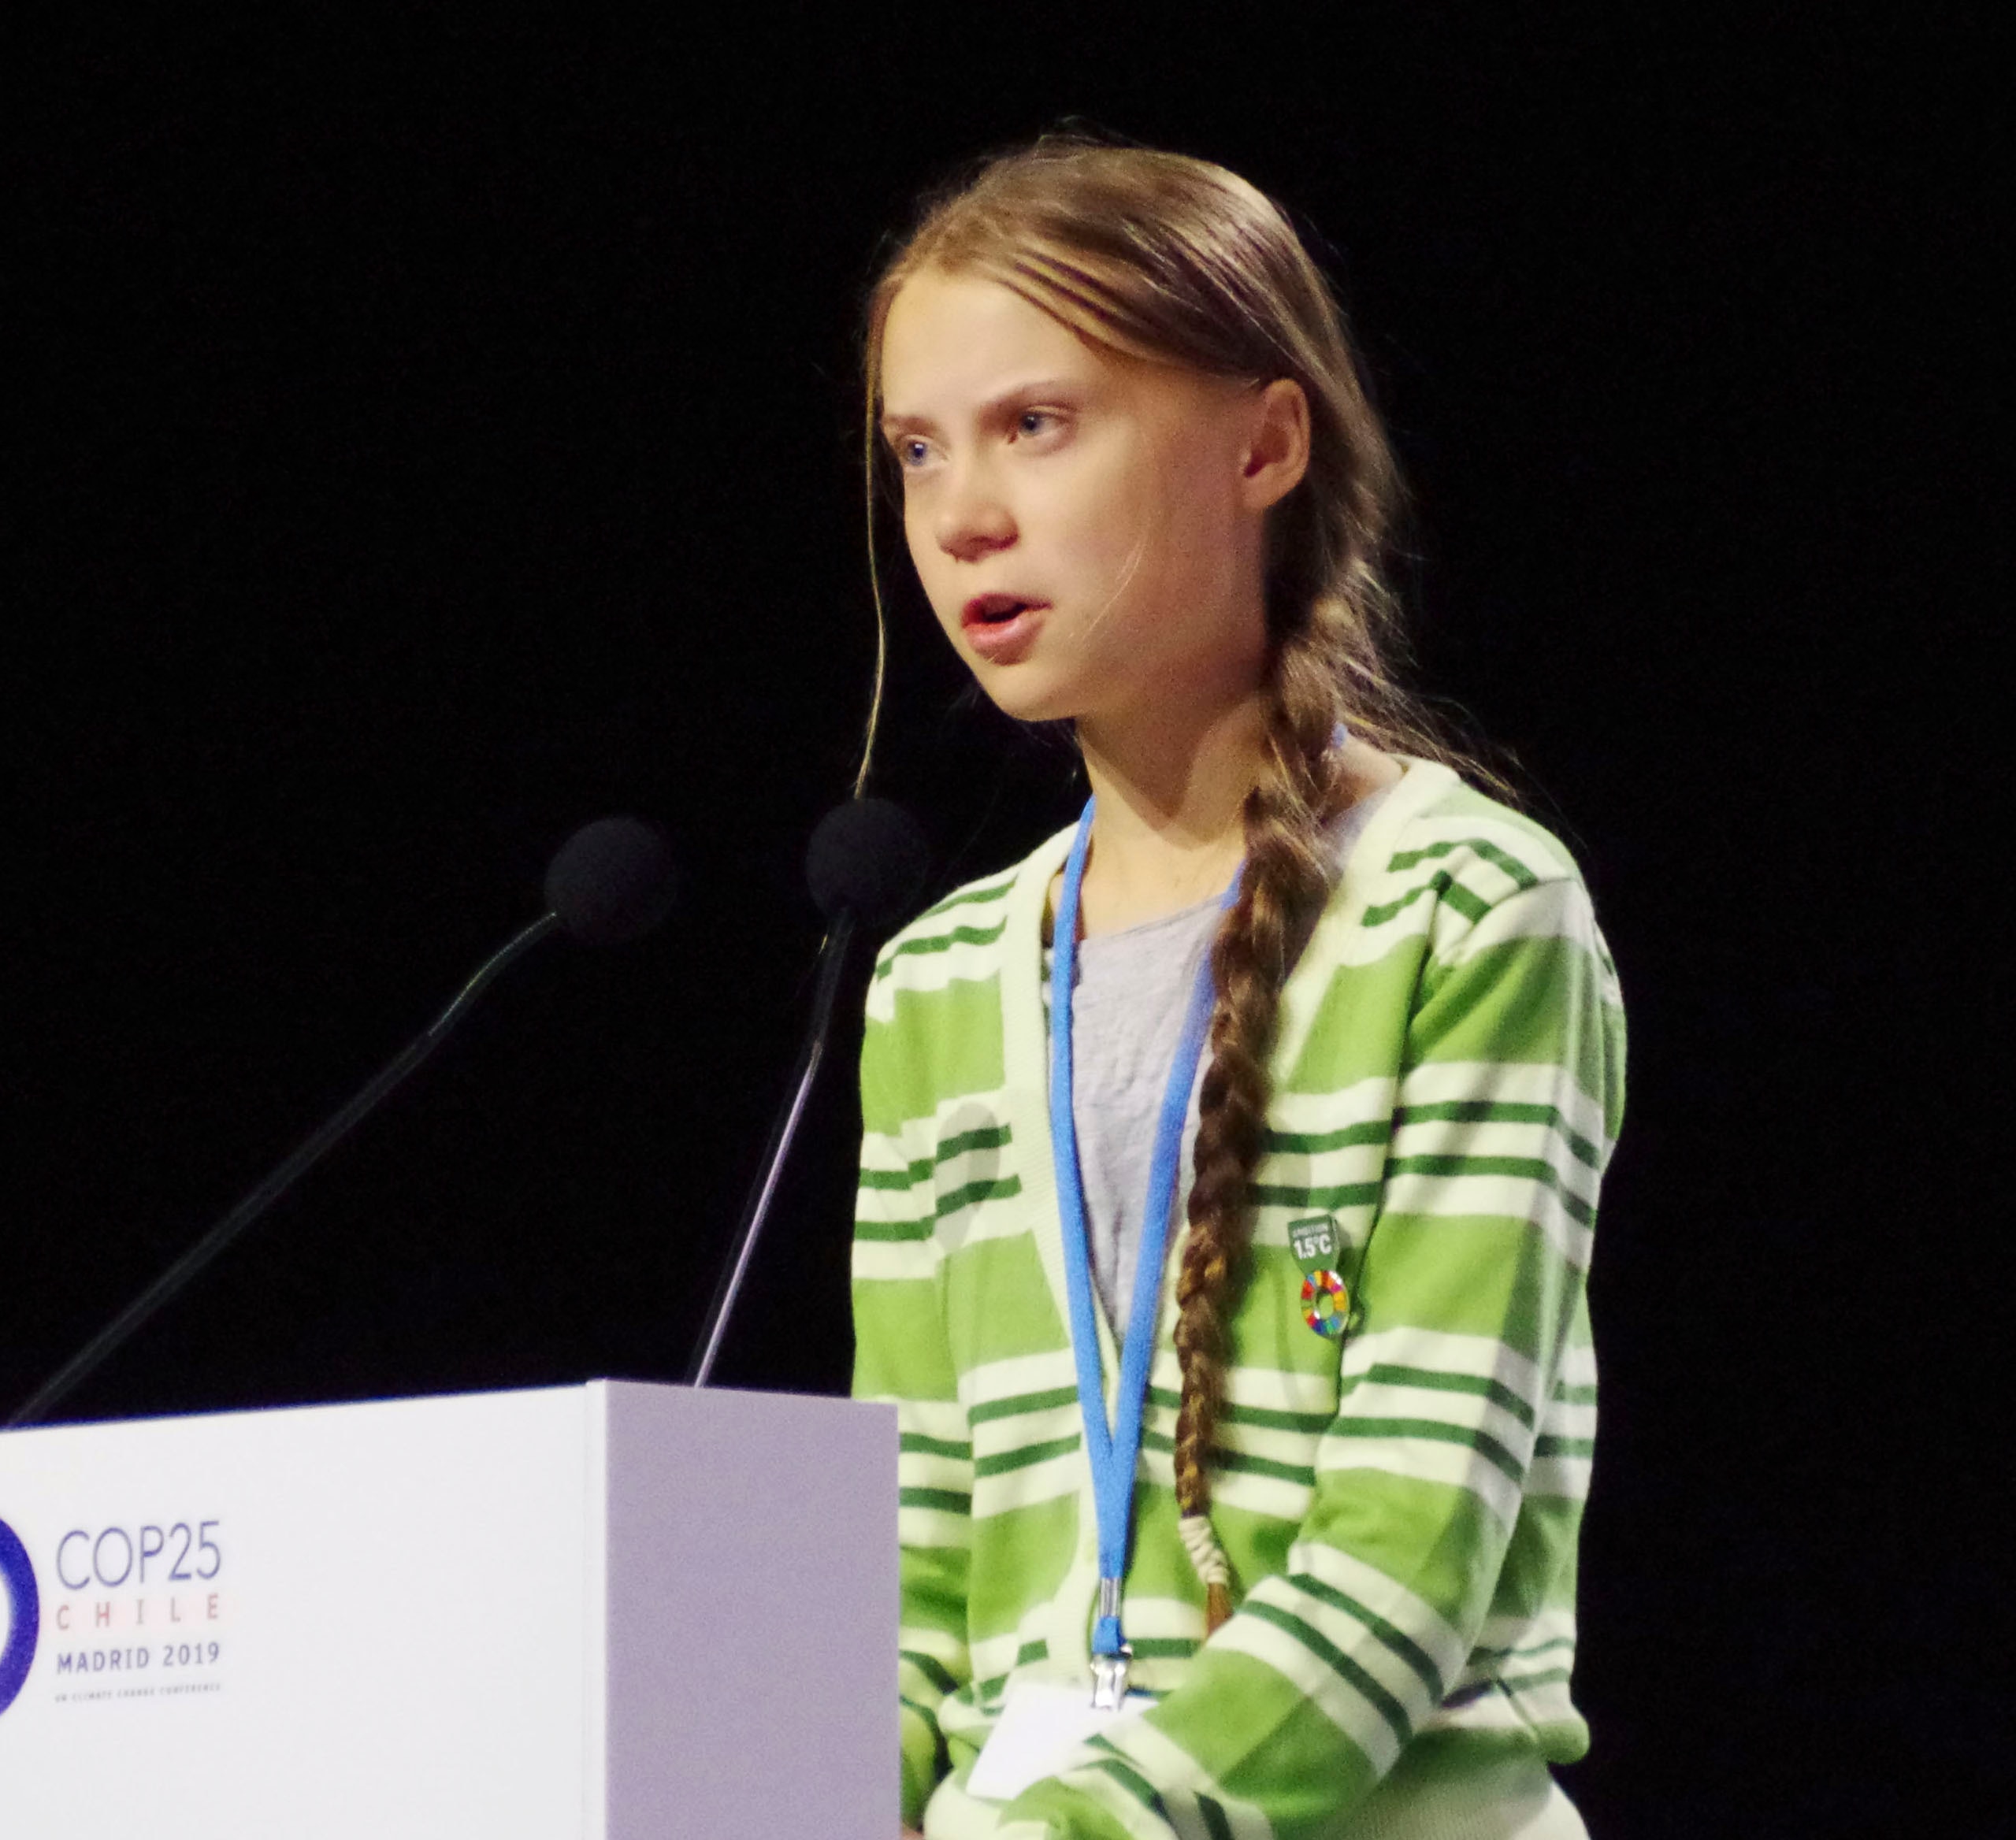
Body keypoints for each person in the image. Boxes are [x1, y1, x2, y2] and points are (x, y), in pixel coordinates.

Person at [848, 138, 1627, 1840]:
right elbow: (908, 1554)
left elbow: (1407, 1547)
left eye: (1036, 423)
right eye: (917, 450)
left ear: (1264, 445)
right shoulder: (936, 985)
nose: (962, 515)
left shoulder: (1465, 912)